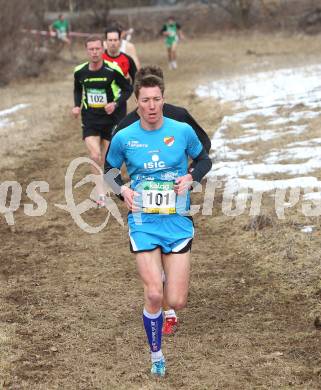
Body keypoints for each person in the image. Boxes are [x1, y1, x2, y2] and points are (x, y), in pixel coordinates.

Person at [104, 68, 212, 376]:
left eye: (156, 99)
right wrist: (121, 188)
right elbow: (108, 171)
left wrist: (192, 177)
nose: (151, 106)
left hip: (177, 221)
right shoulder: (124, 137)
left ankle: (165, 298)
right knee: (153, 293)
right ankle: (156, 356)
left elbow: (204, 159)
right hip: (143, 221)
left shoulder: (182, 131)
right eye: (145, 100)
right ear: (136, 102)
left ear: (163, 99)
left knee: (176, 300)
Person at [72, 35, 133, 207]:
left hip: (110, 119)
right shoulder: (80, 71)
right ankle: (100, 194)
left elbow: (127, 89)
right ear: (87, 51)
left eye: (97, 48)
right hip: (90, 118)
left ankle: (109, 186)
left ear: (102, 48)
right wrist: (77, 106)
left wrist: (115, 103)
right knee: (94, 155)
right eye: (91, 49)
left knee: (107, 158)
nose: (94, 52)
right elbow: (77, 89)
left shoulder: (112, 70)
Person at [102, 27, 137, 122]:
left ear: (120, 41)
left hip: (120, 101)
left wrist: (137, 95)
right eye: (110, 40)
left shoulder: (127, 59)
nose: (113, 43)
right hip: (102, 102)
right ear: (105, 42)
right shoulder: (100, 59)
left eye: (115, 40)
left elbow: (136, 79)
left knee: (118, 130)